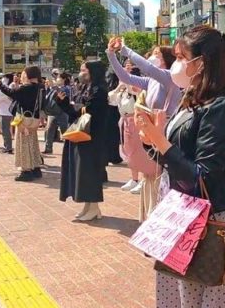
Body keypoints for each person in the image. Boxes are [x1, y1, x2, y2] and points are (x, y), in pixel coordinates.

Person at [134, 25, 225, 308]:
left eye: (182, 57)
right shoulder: (192, 97)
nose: (176, 63)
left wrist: (161, 142)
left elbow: (205, 176)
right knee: (188, 296)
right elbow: (173, 156)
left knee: (207, 300)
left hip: (207, 217)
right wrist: (154, 139)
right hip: (183, 211)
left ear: (202, 62)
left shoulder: (221, 106)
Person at [107, 39, 182, 220]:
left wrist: (125, 50)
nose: (152, 57)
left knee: (159, 175)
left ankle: (159, 219)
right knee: (149, 175)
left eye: (157, 54)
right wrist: (111, 55)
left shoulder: (168, 77)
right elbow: (125, 78)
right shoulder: (151, 81)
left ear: (167, 59)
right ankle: (150, 218)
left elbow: (148, 67)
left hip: (164, 133)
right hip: (151, 133)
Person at [56, 60, 108, 222]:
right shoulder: (85, 88)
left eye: (84, 70)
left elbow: (87, 111)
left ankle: (93, 207)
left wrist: (73, 106)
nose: (81, 73)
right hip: (80, 136)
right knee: (81, 172)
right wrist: (64, 104)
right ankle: (89, 206)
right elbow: (75, 112)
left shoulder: (99, 91)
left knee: (89, 172)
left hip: (92, 138)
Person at [0, 66, 45, 181]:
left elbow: (12, 93)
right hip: (34, 119)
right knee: (33, 144)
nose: (21, 76)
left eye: (23, 73)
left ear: (27, 75)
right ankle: (36, 168)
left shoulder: (27, 87)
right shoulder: (41, 87)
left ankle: (26, 171)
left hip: (24, 120)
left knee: (24, 144)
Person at [108, 73, 147, 194]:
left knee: (140, 151)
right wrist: (118, 87)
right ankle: (134, 178)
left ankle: (143, 179)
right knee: (129, 151)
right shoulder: (122, 91)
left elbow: (138, 94)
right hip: (124, 120)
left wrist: (129, 84)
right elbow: (110, 100)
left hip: (135, 120)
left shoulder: (136, 89)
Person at [43, 70, 71, 155]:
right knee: (49, 130)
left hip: (62, 112)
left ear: (63, 79)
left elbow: (62, 95)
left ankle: (69, 149)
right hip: (53, 112)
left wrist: (54, 86)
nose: (57, 79)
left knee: (65, 131)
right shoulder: (55, 87)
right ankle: (48, 148)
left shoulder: (67, 88)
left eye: (59, 77)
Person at [0, 74, 15, 154]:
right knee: (7, 130)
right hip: (8, 111)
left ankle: (8, 147)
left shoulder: (5, 90)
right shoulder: (10, 88)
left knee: (6, 131)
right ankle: (7, 146)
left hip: (5, 112)